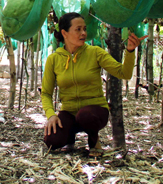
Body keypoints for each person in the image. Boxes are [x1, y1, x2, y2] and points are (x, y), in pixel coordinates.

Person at [41, 12, 145, 156]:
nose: (83, 33)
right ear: (64, 33)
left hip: (94, 111)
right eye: (78, 29)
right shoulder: (54, 59)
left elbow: (124, 73)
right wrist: (51, 115)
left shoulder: (95, 52)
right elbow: (46, 93)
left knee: (85, 116)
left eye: (84, 29)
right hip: (69, 111)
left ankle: (94, 140)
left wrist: (130, 51)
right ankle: (69, 137)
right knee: (52, 140)